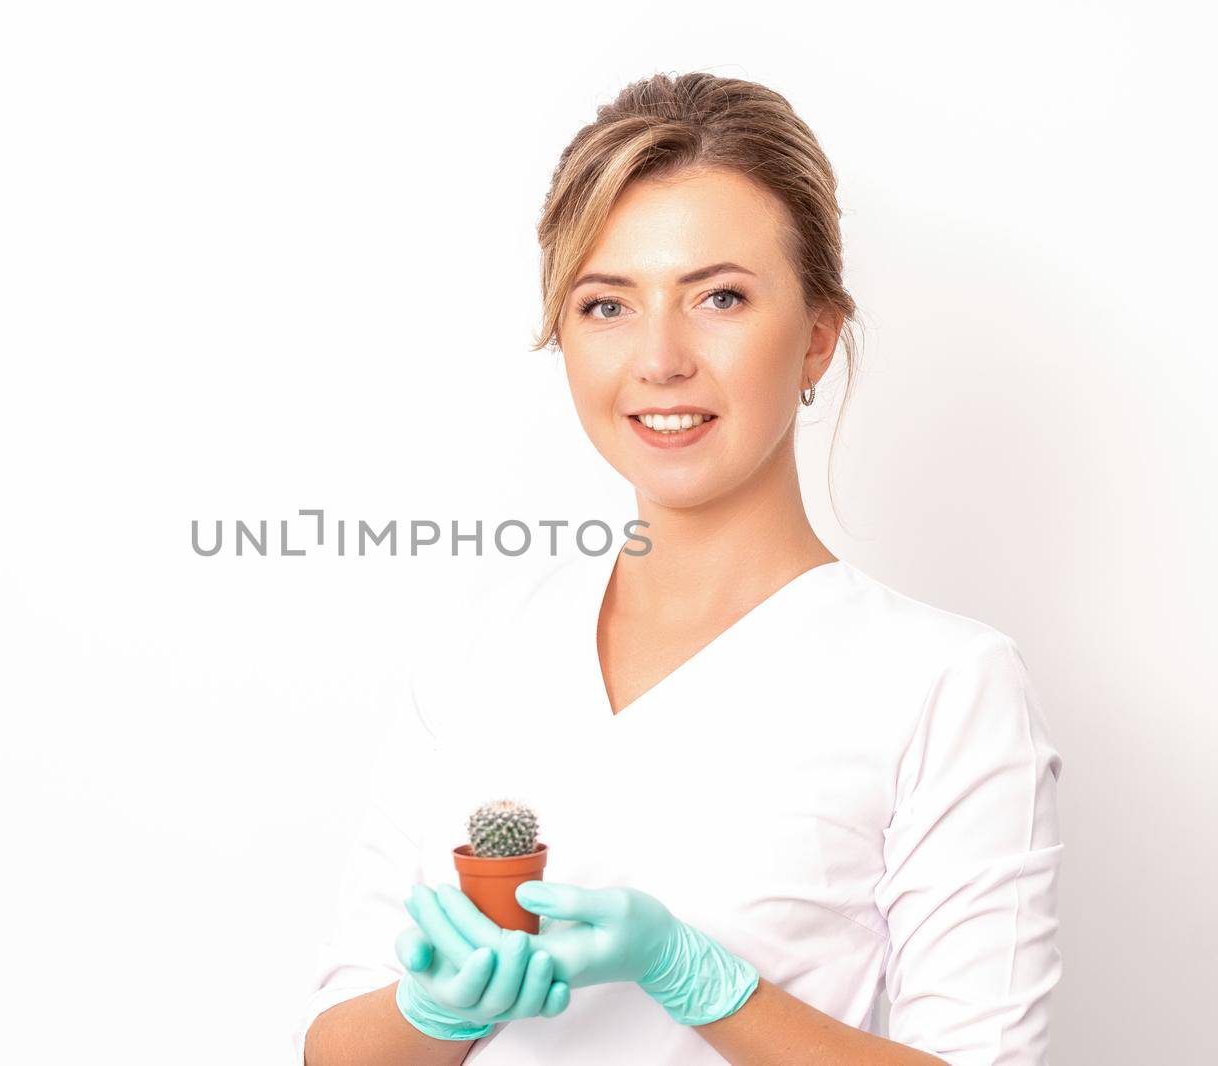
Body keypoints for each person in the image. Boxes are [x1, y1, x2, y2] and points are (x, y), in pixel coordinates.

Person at [294, 71, 1063, 1066]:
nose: (659, 357)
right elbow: (335, 1049)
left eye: (720, 297)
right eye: (607, 304)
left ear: (817, 340)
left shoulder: (944, 687)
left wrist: (700, 978)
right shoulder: (476, 653)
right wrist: (436, 1011)